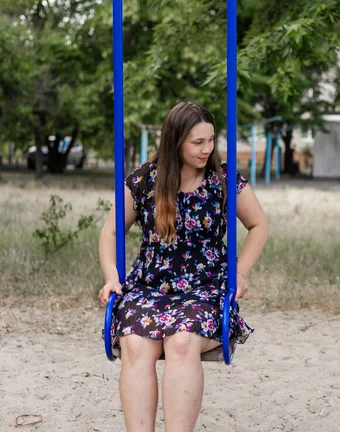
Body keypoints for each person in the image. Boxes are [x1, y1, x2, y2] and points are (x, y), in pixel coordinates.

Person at [98, 101, 269, 431]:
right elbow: (111, 231)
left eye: (211, 140)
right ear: (175, 141)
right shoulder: (146, 179)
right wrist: (111, 276)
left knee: (182, 340)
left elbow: (259, 224)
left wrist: (240, 271)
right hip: (149, 287)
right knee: (134, 343)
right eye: (197, 142)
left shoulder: (223, 180)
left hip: (205, 288)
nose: (207, 149)